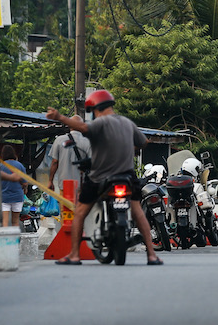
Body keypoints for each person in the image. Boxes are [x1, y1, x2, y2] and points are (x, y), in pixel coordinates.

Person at [46, 89, 162, 266]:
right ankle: (152, 255)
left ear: (96, 109)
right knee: (137, 211)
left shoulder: (101, 123)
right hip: (127, 176)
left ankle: (75, 255)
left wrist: (60, 117)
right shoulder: (127, 123)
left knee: (79, 213)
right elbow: (143, 142)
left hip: (100, 176)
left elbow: (82, 127)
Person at [47, 118, 91, 192]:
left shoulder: (59, 140)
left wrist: (50, 181)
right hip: (81, 185)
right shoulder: (87, 142)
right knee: (79, 203)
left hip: (64, 185)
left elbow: (55, 162)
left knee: (65, 203)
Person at [0, 144, 27, 228]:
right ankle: (15, 240)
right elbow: (25, 183)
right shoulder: (20, 165)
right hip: (17, 196)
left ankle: (5, 240)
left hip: (4, 197)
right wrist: (25, 189)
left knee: (5, 222)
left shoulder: (0, 166)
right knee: (15, 221)